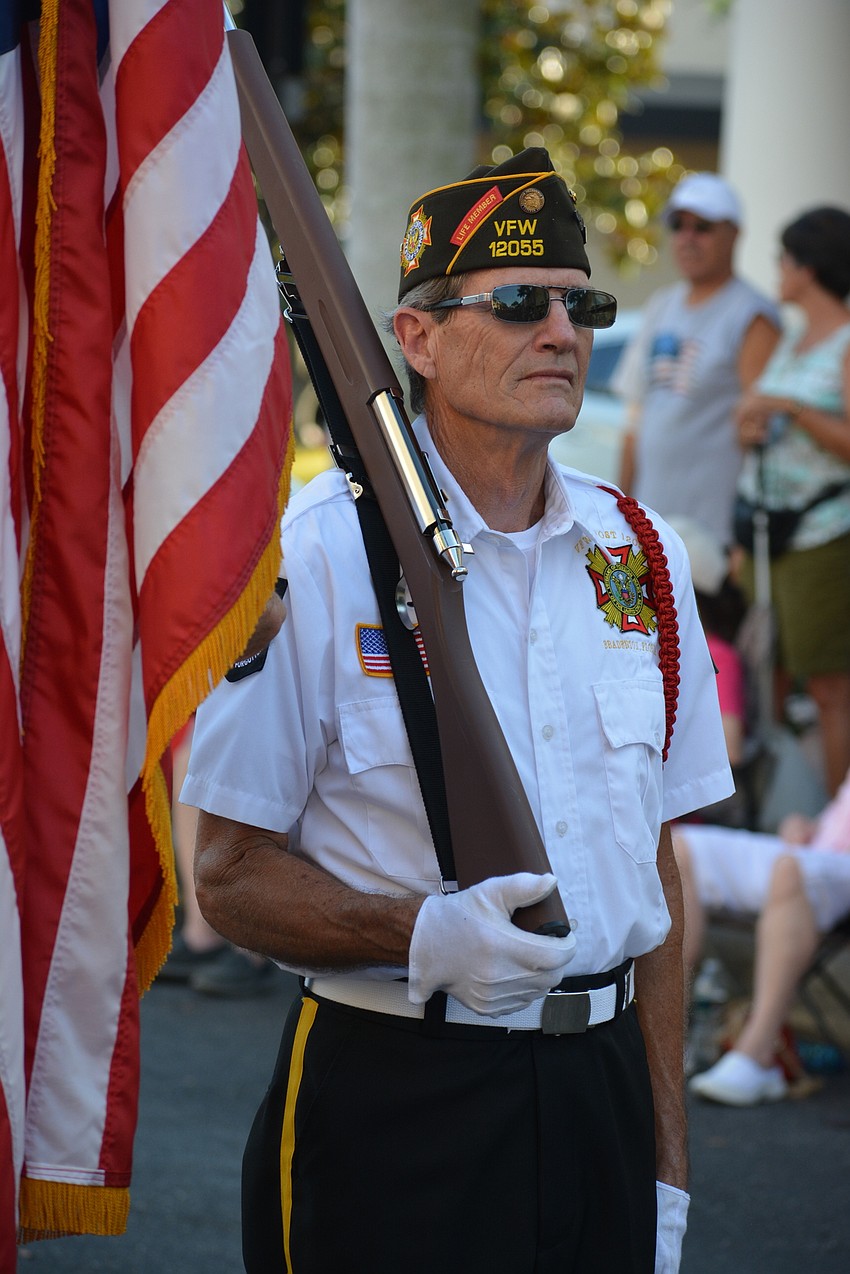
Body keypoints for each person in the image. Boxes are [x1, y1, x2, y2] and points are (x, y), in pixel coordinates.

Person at [182, 148, 733, 1274]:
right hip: (396, 1097)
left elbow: (662, 879)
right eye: (521, 302)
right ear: (418, 339)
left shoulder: (641, 554)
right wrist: (420, 932)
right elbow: (230, 871)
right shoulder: (318, 551)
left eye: (583, 307)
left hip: (602, 1096)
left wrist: (666, 1163)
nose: (561, 332)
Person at [734, 206, 850, 799]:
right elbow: (762, 411)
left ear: (807, 266)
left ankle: (839, 829)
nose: (777, 269)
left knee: (830, 688)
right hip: (767, 532)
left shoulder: (846, 342)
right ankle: (776, 809)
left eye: (783, 257)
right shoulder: (795, 336)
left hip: (821, 535)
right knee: (765, 676)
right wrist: (752, 425)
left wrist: (790, 410)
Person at [615, 172, 780, 547]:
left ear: (734, 234)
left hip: (713, 536)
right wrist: (622, 511)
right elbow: (635, 422)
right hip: (650, 526)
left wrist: (743, 543)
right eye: (679, 225)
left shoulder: (752, 316)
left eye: (702, 227)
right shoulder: (661, 305)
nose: (688, 238)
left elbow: (762, 436)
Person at [674, 765, 850, 1105]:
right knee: (683, 848)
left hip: (831, 865)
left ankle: (758, 1053)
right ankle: (670, 1038)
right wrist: (809, 826)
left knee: (789, 870)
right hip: (820, 852)